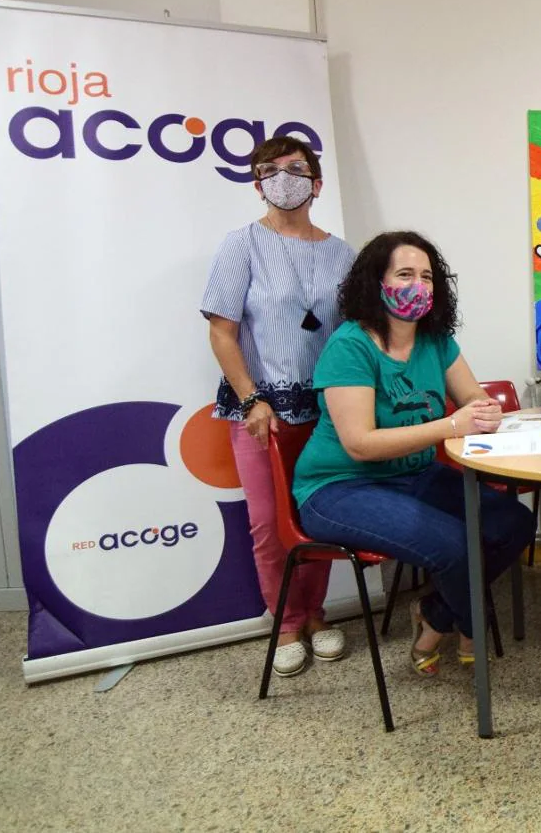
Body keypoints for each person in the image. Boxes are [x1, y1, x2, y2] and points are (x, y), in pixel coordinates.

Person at [292, 231, 535, 676]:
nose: (418, 285)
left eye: (427, 276)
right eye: (405, 274)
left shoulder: (436, 340)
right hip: (339, 487)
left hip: (414, 476)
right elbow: (359, 444)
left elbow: (473, 401)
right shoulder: (350, 345)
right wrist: (451, 425)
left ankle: (437, 615)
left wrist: (483, 412)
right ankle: (470, 626)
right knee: (455, 544)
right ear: (375, 281)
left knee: (513, 521)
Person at [201, 136, 356, 678]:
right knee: (269, 523)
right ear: (256, 182)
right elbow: (222, 332)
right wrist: (252, 398)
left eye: (295, 169)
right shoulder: (240, 244)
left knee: (317, 516)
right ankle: (287, 621)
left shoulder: (343, 254)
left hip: (327, 412)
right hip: (259, 411)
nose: (283, 178)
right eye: (270, 170)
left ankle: (316, 614)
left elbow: (354, 334)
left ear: (316, 184)